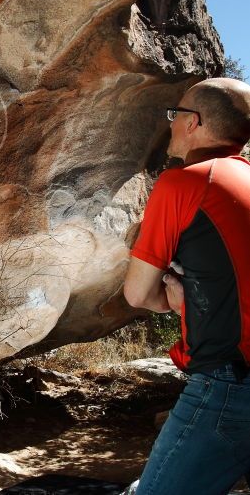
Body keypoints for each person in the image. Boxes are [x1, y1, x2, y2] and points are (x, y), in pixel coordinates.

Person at [123, 77, 250, 494]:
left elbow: (137, 293)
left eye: (175, 115)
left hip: (229, 388)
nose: (171, 124)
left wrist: (172, 299)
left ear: (193, 122)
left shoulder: (186, 182)